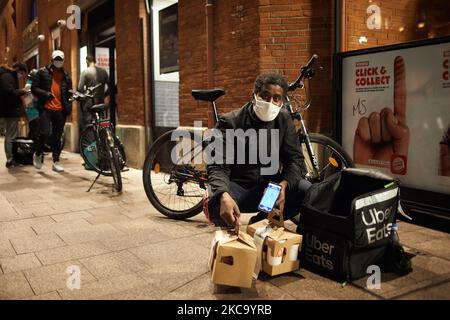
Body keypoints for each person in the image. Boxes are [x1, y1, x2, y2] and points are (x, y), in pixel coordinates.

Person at [205, 73, 312, 228]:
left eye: (276, 98)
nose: (270, 102)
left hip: (270, 190)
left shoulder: (284, 120)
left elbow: (295, 159)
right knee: (215, 203)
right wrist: (223, 194)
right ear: (254, 96)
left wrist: (283, 185)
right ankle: (231, 225)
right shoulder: (229, 122)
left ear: (282, 101)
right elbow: (217, 165)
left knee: (306, 191)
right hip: (238, 187)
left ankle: (259, 222)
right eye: (265, 96)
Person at [31, 50, 73, 173]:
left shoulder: (66, 75)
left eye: (60, 59)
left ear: (63, 61)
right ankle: (38, 153)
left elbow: (68, 91)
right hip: (46, 108)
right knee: (44, 132)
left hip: (60, 110)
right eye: (56, 59)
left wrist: (69, 103)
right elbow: (34, 88)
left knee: (57, 137)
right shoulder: (43, 72)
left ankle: (56, 161)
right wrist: (45, 94)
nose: (58, 61)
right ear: (52, 60)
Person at [0, 62, 28, 168]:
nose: (20, 75)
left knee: (11, 135)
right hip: (10, 110)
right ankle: (10, 159)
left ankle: (12, 158)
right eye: (21, 72)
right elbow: (9, 92)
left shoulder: (8, 75)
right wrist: (22, 91)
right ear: (16, 68)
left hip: (10, 110)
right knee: (10, 135)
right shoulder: (7, 76)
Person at [78, 54, 110, 132]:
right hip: (101, 101)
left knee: (89, 124)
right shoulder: (103, 71)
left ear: (87, 61)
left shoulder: (85, 72)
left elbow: (80, 88)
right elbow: (111, 85)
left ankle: (92, 141)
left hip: (89, 102)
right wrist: (105, 94)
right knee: (102, 123)